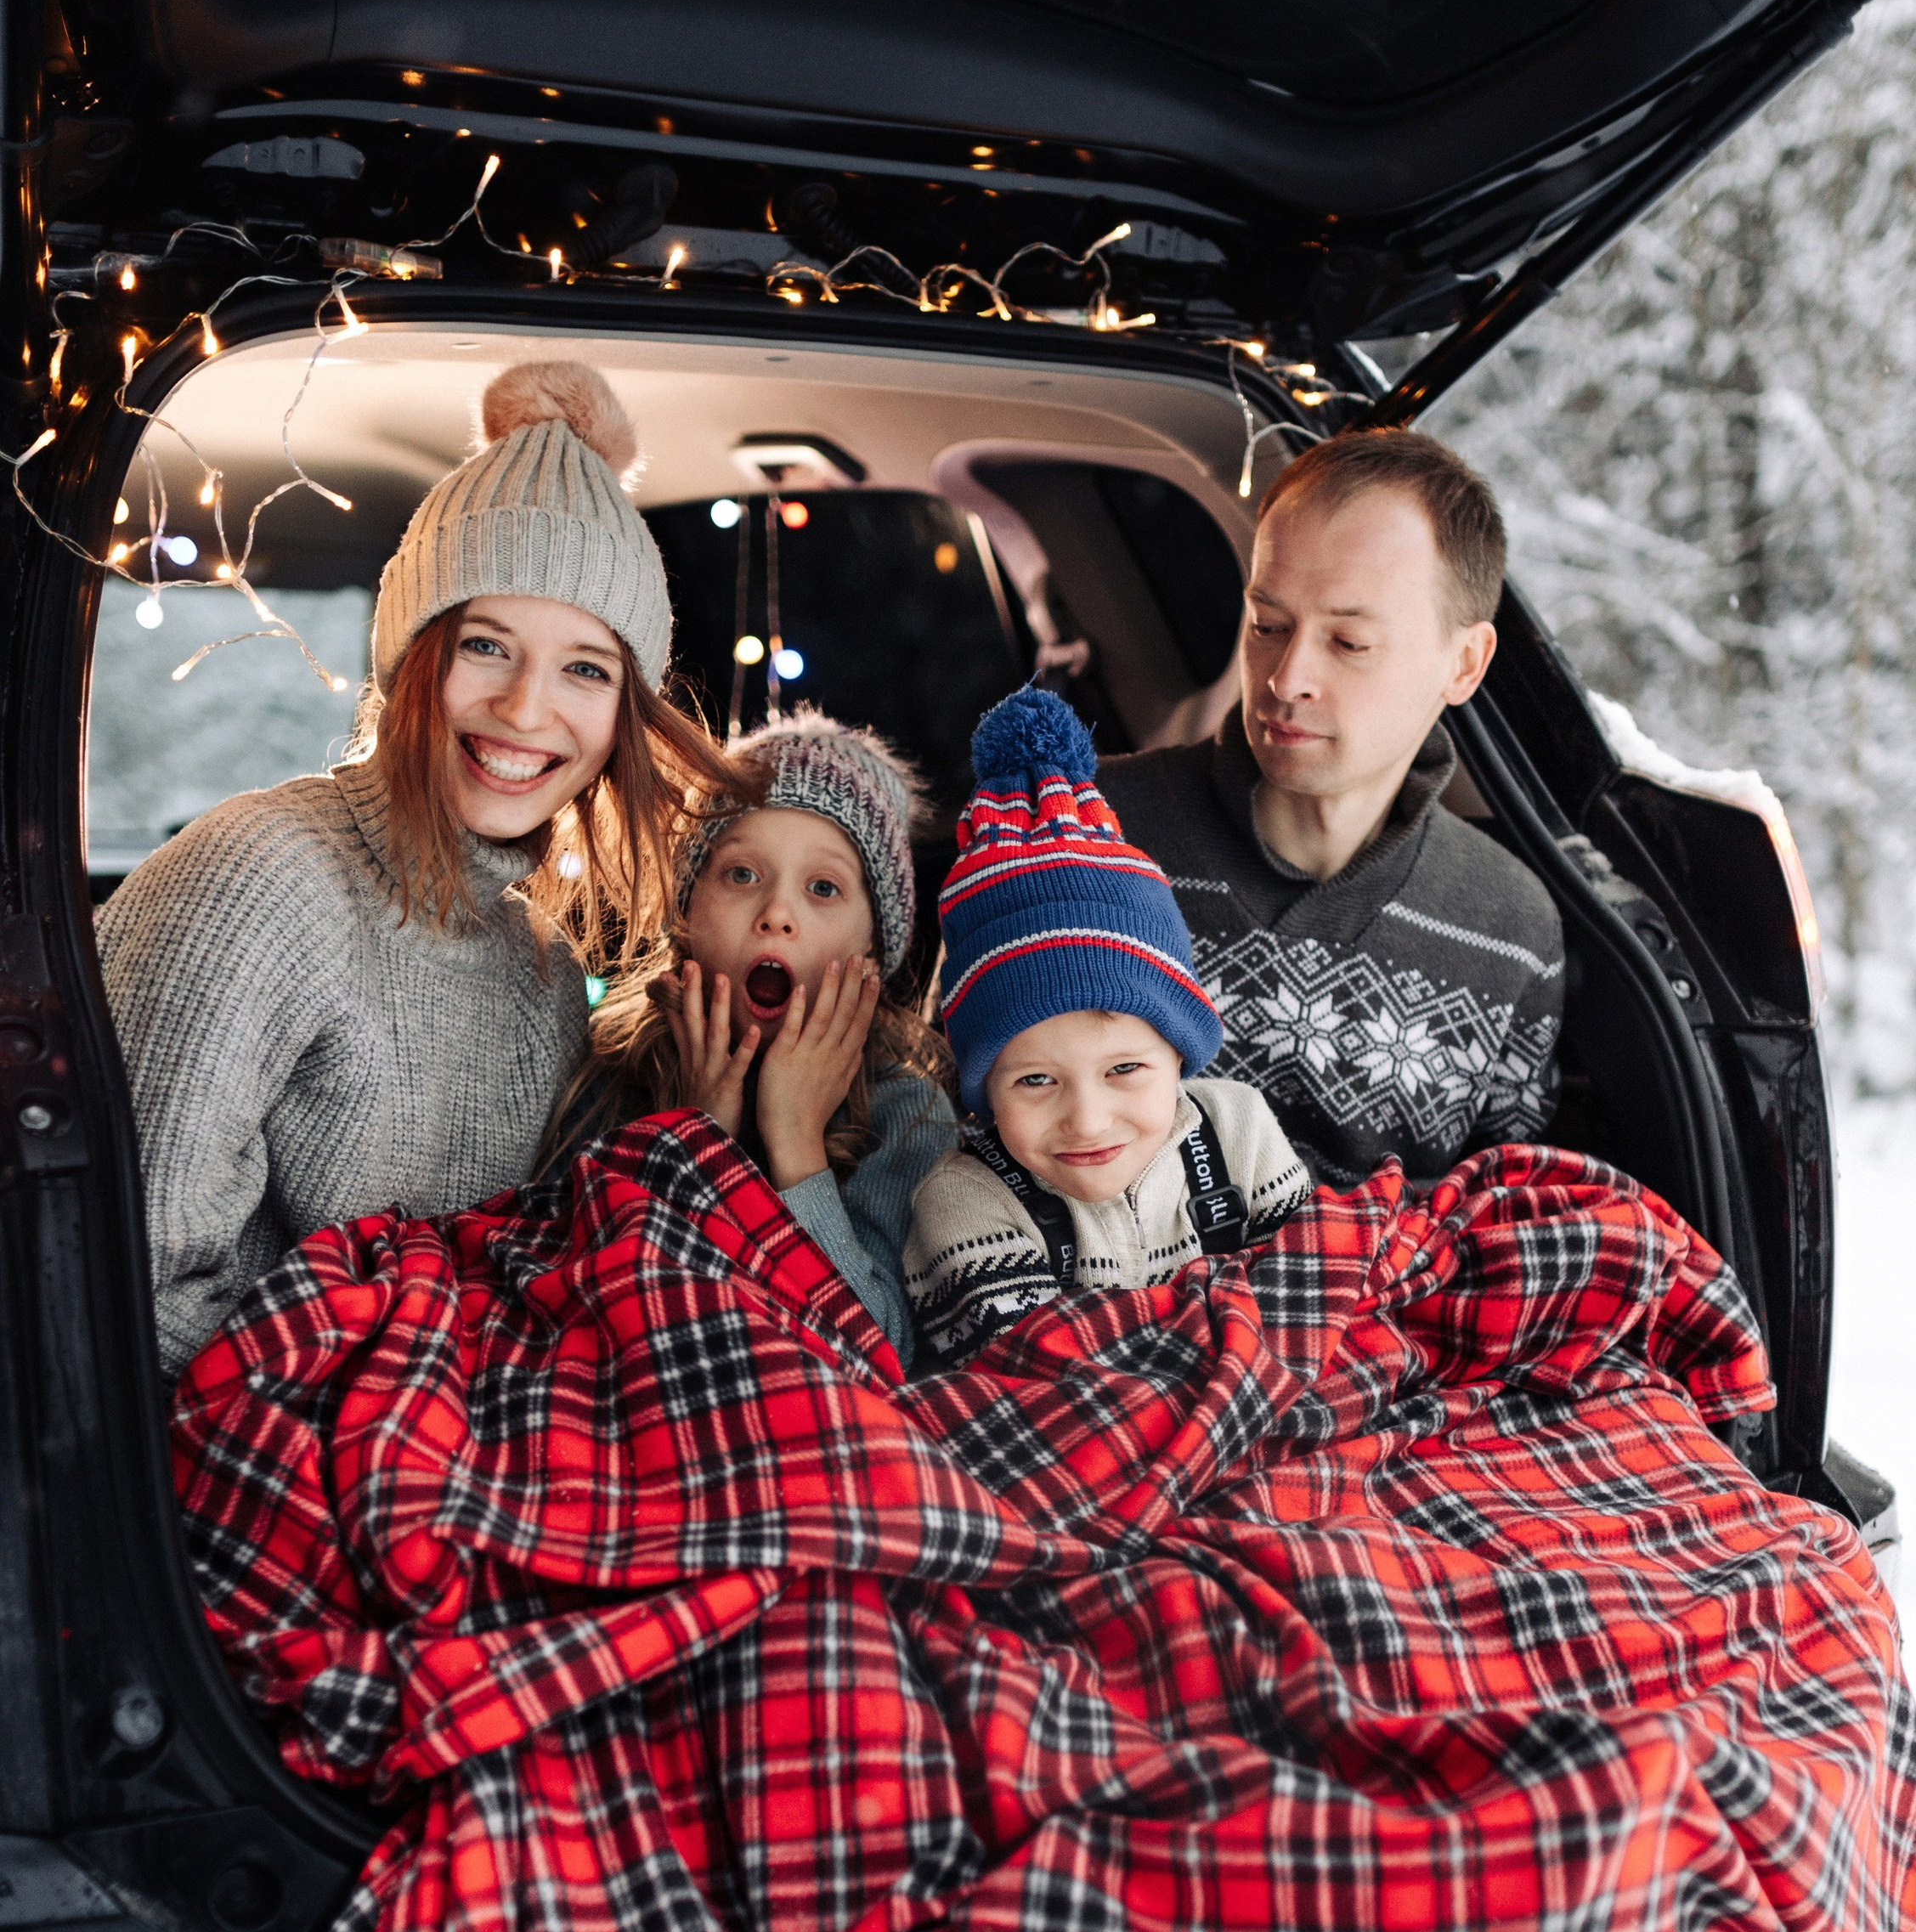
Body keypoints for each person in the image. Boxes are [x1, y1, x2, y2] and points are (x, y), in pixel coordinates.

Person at [98, 357, 731, 1379]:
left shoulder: (543, 965)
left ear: (624, 714)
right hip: (242, 1468)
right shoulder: (258, 880)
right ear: (412, 656)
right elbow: (122, 1287)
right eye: (488, 645)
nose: (528, 711)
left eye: (584, 668)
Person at [1098, 427, 1563, 1189]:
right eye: (1267, 626)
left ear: (1465, 663)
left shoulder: (1514, 931)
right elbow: (951, 1134)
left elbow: (1492, 1236)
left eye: (1347, 642)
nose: (1286, 678)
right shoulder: (1088, 830)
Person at [906, 686, 1307, 1364]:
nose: (1088, 1121)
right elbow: (1049, 1392)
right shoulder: (964, 1204)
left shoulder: (1239, 1134)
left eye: (1124, 1069)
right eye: (1035, 1080)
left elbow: (1315, 1304)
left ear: (1179, 1054)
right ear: (983, 1087)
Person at [559, 713, 957, 1363]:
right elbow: (589, 1312)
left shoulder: (906, 1116)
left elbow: (877, 1357)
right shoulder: (605, 1069)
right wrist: (697, 1138)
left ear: (871, 954)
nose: (778, 914)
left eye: (823, 888)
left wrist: (797, 1145)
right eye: (742, 875)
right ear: (685, 911)